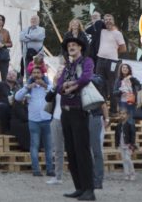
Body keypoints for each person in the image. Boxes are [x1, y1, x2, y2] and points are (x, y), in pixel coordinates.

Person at [55, 35, 95, 201]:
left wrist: (72, 85)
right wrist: (63, 86)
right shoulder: (68, 66)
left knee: (82, 150)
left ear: (80, 48)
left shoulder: (87, 61)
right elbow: (57, 87)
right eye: (69, 45)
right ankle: (79, 187)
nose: (71, 47)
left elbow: (86, 78)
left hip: (79, 110)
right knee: (71, 151)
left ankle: (89, 190)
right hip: (66, 112)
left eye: (74, 45)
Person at [16, 64, 53, 176]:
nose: (36, 75)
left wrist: (45, 86)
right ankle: (36, 170)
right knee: (34, 146)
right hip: (34, 120)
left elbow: (55, 92)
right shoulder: (28, 86)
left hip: (47, 119)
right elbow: (17, 97)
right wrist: (27, 87)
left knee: (48, 146)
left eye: (38, 73)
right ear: (31, 74)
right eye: (34, 73)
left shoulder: (48, 84)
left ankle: (50, 170)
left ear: (42, 74)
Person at [111, 62, 140, 180]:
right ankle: (124, 142)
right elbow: (114, 92)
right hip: (123, 102)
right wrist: (121, 91)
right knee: (122, 122)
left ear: (129, 69)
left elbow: (139, 86)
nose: (124, 69)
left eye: (126, 67)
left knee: (131, 123)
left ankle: (131, 144)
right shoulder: (118, 80)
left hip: (131, 102)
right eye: (123, 67)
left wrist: (133, 85)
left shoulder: (133, 78)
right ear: (120, 69)